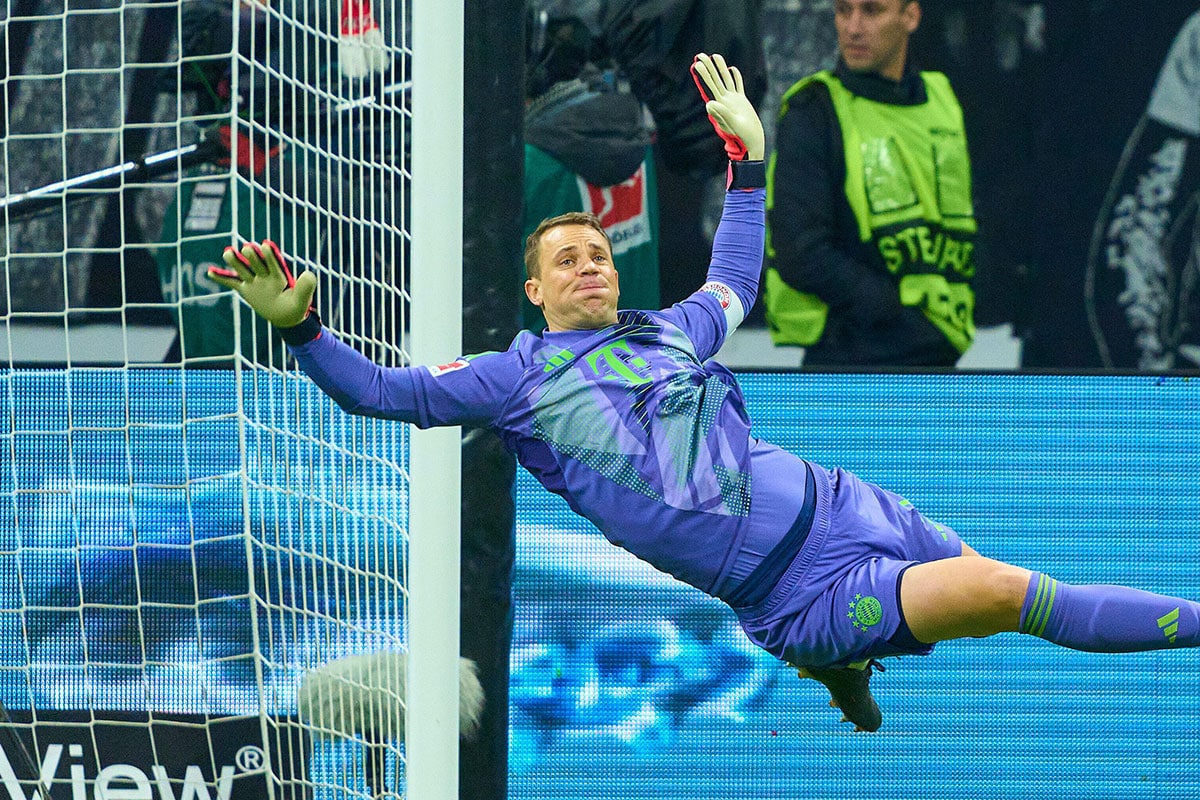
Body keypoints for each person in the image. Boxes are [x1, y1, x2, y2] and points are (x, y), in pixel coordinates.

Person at [211, 53, 1200, 734]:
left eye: (598, 249)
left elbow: (734, 275)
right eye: (567, 256)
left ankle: (845, 669)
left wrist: (751, 158)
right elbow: (379, 393)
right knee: (1005, 591)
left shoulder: (668, 329)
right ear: (535, 287)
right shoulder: (514, 378)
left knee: (975, 575)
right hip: (800, 588)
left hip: (850, 502)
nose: (591, 262)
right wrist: (300, 324)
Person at [765, 0, 978, 366]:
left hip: (941, 349)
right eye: (843, 11)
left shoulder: (942, 96)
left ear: (910, 16)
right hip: (850, 358)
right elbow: (801, 251)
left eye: (872, 11)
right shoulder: (814, 109)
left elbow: (964, 220)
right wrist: (889, 308)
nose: (853, 27)